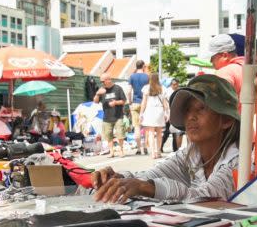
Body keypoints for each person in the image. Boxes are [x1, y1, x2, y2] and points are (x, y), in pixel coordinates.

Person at [92, 74, 240, 203]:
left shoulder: (238, 162)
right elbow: (147, 177)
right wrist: (119, 179)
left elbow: (204, 197)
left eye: (201, 109)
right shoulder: (190, 156)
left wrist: (145, 187)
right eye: (187, 110)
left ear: (226, 120)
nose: (190, 117)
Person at [94, 73, 126, 157]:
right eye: (101, 81)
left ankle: (121, 150)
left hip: (118, 116)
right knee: (108, 135)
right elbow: (95, 101)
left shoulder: (118, 88)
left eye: (103, 81)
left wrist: (115, 102)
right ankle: (111, 152)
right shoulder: (102, 89)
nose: (102, 83)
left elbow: (123, 101)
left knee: (120, 134)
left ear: (109, 80)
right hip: (107, 116)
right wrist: (97, 94)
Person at [140, 73, 169, 159]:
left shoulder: (146, 88)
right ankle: (158, 151)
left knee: (151, 133)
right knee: (159, 132)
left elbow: (144, 102)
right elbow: (165, 102)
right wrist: (166, 113)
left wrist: (141, 113)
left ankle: (153, 153)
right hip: (159, 111)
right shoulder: (163, 88)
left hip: (149, 110)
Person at [128, 60, 149, 154]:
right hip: (146, 104)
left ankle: (139, 149)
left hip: (135, 103)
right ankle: (145, 147)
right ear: (143, 66)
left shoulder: (132, 77)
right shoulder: (147, 76)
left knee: (136, 127)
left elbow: (128, 91)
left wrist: (130, 102)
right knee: (146, 127)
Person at [160, 78, 183, 153]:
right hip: (169, 113)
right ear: (171, 85)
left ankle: (175, 149)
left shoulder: (180, 91)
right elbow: (164, 102)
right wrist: (166, 113)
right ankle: (161, 145)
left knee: (176, 132)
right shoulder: (167, 91)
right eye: (173, 84)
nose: (175, 86)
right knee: (167, 132)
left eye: (176, 84)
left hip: (176, 113)